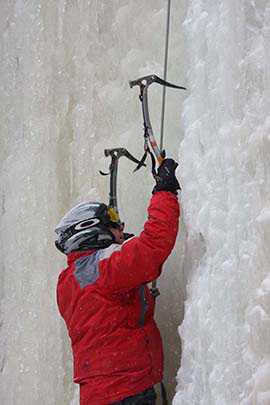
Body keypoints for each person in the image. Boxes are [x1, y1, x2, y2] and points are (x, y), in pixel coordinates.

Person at [55, 159, 180, 405]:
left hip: (100, 393)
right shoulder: (104, 266)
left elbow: (104, 301)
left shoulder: (67, 281)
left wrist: (121, 246)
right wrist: (164, 191)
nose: (120, 226)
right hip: (125, 392)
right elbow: (153, 246)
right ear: (89, 229)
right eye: (112, 220)